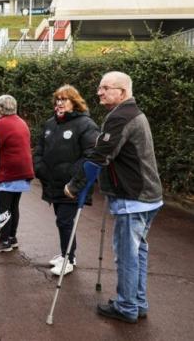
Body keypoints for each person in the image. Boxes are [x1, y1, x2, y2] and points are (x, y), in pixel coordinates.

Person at [66, 72, 163, 324]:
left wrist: (75, 186)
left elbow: (100, 156)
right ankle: (137, 302)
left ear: (122, 92)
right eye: (99, 87)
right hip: (147, 195)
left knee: (127, 254)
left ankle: (127, 306)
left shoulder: (121, 116)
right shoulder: (133, 113)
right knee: (138, 250)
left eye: (106, 88)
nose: (99, 92)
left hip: (133, 197)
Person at [33, 85, 98, 276]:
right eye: (57, 100)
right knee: (62, 220)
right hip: (52, 182)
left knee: (64, 221)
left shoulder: (85, 124)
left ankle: (68, 258)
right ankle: (66, 253)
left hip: (71, 185)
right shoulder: (50, 124)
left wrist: (74, 178)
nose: (59, 103)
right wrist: (40, 168)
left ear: (74, 102)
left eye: (64, 99)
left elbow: (91, 155)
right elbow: (39, 149)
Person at [0, 95, 33, 253]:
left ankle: (4, 240)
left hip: (9, 170)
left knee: (3, 207)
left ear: (0, 108)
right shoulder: (20, 122)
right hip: (23, 169)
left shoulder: (0, 124)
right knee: (13, 205)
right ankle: (11, 237)